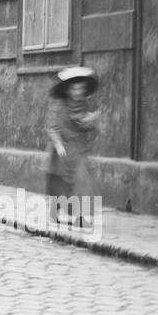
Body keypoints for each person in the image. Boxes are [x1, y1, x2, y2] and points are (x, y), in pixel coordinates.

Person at [44, 67, 100, 226]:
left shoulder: (83, 104)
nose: (77, 92)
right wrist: (58, 144)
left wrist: (90, 121)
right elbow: (51, 126)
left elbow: (82, 124)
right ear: (68, 90)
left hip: (77, 149)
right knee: (60, 183)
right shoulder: (59, 105)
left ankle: (81, 217)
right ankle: (54, 213)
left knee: (83, 180)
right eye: (74, 88)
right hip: (61, 151)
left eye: (81, 89)